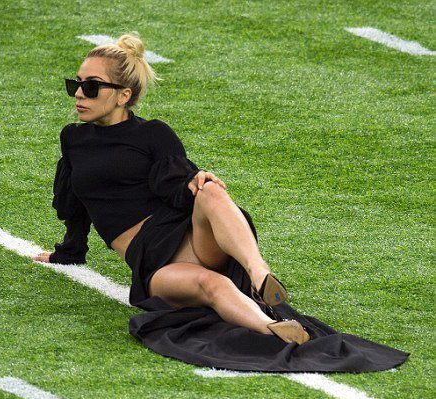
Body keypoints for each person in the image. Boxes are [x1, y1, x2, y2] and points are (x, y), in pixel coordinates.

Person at [31, 32, 310, 345]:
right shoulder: (73, 139)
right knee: (213, 285)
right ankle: (273, 328)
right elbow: (74, 204)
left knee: (210, 188)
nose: (80, 94)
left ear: (123, 95)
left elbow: (175, 184)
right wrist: (70, 252)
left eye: (92, 86)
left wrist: (194, 180)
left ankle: (259, 273)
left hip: (189, 238)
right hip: (151, 262)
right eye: (76, 84)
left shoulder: (153, 133)